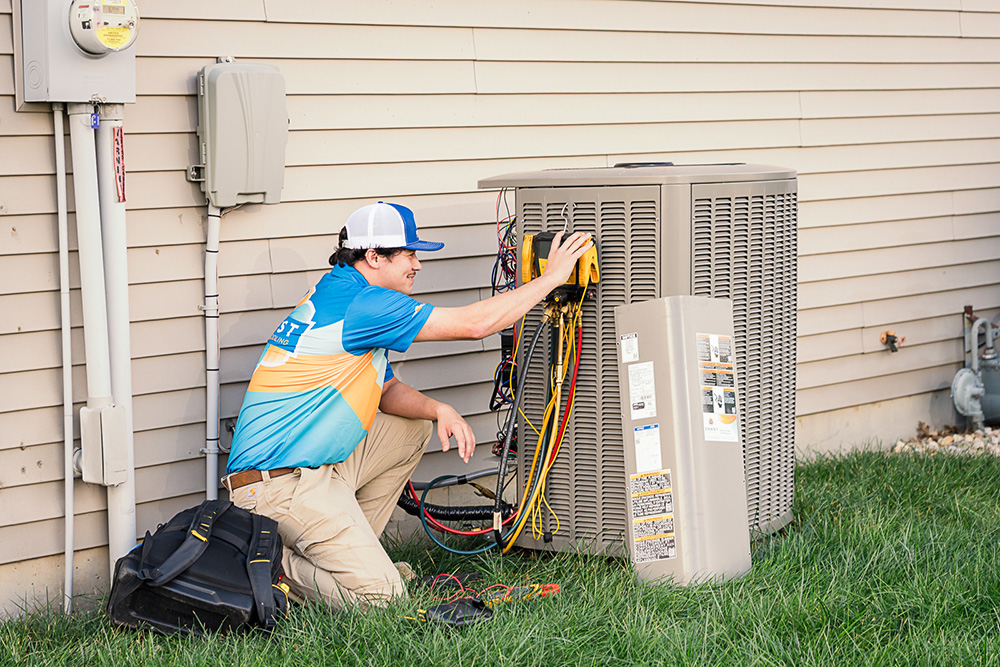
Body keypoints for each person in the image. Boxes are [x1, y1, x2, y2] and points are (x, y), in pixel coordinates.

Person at [222, 201, 592, 608]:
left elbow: (385, 390)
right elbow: (474, 325)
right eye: (409, 254)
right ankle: (263, 565)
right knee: (384, 599)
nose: (417, 264)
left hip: (310, 468)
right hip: (277, 485)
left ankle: (354, 556)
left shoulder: (344, 290)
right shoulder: (363, 305)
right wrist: (553, 278)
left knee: (411, 430)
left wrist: (438, 410)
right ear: (374, 257)